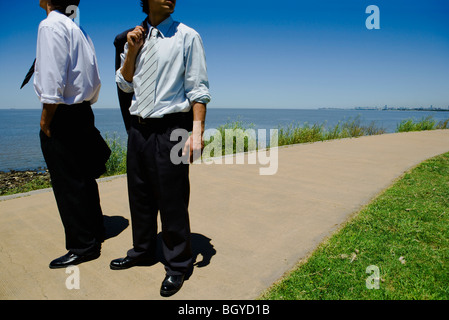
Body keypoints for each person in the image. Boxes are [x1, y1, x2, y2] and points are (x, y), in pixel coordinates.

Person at [111, 0, 211, 297]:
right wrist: (132, 50)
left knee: (172, 199)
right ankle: (142, 250)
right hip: (138, 128)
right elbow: (125, 84)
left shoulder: (187, 36)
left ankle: (178, 264)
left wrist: (197, 133)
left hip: (172, 128)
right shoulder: (133, 37)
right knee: (139, 195)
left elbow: (198, 88)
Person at [32, 0, 110, 268]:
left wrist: (45, 120)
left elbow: (52, 79)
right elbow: (95, 78)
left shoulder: (50, 25)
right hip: (83, 110)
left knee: (67, 183)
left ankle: (82, 245)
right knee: (85, 177)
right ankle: (96, 230)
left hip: (62, 114)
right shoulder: (78, 29)